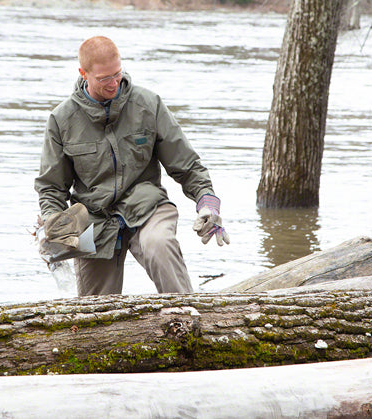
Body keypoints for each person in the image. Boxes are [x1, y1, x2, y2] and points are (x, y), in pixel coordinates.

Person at [34, 36, 229, 296]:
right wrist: (52, 222)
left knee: (159, 244)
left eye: (117, 74)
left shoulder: (149, 104)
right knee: (95, 314)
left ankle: (185, 314)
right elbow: (51, 188)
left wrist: (207, 202)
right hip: (95, 220)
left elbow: (187, 164)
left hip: (148, 208)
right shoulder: (61, 120)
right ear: (83, 73)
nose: (113, 83)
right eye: (104, 78)